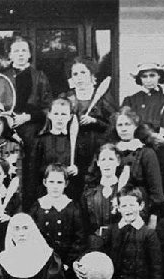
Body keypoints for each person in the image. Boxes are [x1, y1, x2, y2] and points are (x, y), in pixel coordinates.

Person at [122, 62, 164, 196]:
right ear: (139, 79)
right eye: (144, 76)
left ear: (159, 77)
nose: (148, 80)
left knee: (161, 196)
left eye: (152, 75)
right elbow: (121, 127)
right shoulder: (130, 101)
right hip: (136, 155)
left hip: (161, 156)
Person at [62, 56, 117, 201]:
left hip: (97, 152)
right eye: (75, 74)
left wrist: (95, 121)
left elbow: (114, 125)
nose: (79, 77)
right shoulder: (67, 98)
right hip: (74, 154)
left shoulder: (102, 97)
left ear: (91, 75)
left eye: (83, 73)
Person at [100, 106, 164, 226]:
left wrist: (153, 216)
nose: (124, 129)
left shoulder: (146, 152)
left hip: (139, 208)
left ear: (136, 126)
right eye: (120, 125)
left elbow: (156, 190)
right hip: (112, 208)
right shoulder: (110, 151)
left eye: (128, 124)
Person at [29, 163, 86, 271]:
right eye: (51, 182)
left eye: (59, 182)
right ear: (45, 182)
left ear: (66, 184)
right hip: (41, 261)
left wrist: (68, 263)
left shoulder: (72, 207)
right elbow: (31, 235)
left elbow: (79, 239)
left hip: (65, 263)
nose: (55, 186)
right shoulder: (37, 206)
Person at [29, 98, 83, 208]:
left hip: (69, 194)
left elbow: (84, 170)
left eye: (63, 114)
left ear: (70, 117)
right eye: (56, 113)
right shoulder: (41, 141)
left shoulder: (75, 142)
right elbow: (33, 172)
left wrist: (77, 170)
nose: (59, 118)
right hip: (45, 193)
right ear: (49, 115)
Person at [81, 143, 123, 249]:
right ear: (98, 163)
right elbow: (83, 226)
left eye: (111, 159)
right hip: (95, 244)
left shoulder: (125, 191)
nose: (107, 164)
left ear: (118, 162)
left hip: (121, 244)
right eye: (103, 160)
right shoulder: (88, 193)